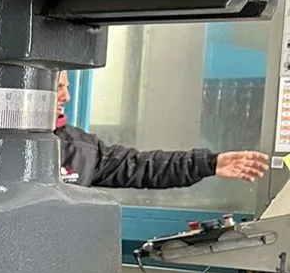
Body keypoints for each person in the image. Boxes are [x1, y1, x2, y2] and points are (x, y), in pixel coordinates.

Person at [54, 70, 269, 188]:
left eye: (68, 87)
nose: (67, 97)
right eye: (59, 87)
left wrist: (208, 163)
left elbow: (141, 166)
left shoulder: (82, 149)